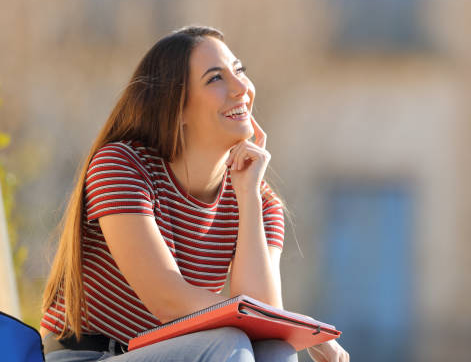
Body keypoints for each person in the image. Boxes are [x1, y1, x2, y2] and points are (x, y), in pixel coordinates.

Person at [39, 26, 349, 362]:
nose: (241, 88)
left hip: (183, 352)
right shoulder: (122, 165)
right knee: (229, 343)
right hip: (86, 356)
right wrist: (298, 323)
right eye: (216, 78)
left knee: (275, 349)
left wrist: (247, 195)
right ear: (177, 109)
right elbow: (168, 301)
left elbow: (263, 322)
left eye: (240, 71)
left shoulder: (260, 201)